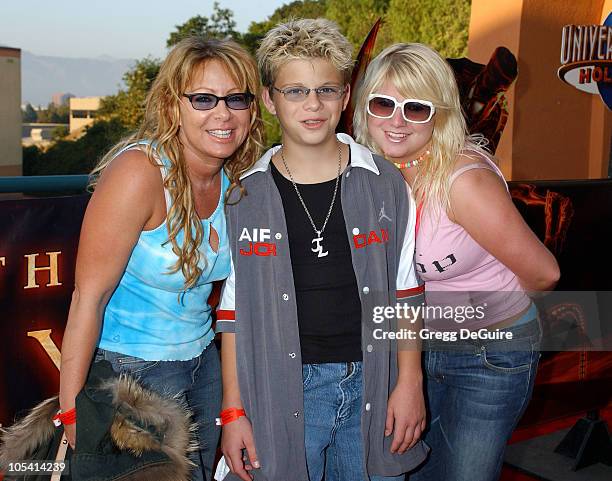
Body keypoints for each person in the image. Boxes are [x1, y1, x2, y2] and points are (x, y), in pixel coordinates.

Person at [216, 19, 428, 481]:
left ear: (346, 96)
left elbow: (405, 292)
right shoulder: (243, 196)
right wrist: (233, 410)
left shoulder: (384, 183)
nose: (313, 105)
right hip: (284, 388)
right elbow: (232, 312)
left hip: (374, 379)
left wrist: (410, 382)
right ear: (270, 99)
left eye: (327, 90)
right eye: (295, 91)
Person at [58, 36, 264, 481]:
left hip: (203, 363)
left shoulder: (240, 179)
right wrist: (73, 408)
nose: (223, 113)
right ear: (174, 106)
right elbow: (87, 299)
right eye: (204, 98)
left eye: (236, 98)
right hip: (129, 377)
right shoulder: (140, 174)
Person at [353, 43, 560, 481]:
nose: (396, 119)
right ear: (366, 106)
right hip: (413, 350)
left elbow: (544, 273)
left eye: (416, 108)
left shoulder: (462, 183)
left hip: (488, 354)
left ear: (440, 113)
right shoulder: (371, 172)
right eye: (384, 103)